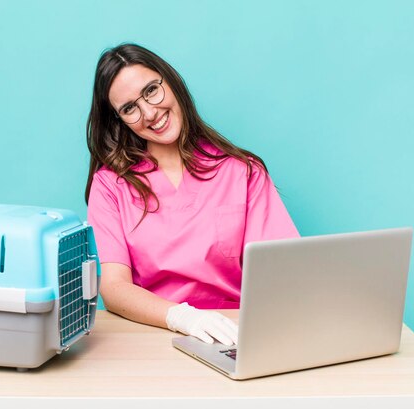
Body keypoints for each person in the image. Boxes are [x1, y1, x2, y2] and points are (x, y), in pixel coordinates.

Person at [85, 43, 299, 346]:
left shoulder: (243, 172)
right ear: (119, 120)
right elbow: (114, 288)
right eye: (129, 109)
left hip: (233, 336)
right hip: (152, 335)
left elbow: (284, 273)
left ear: (171, 82)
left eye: (151, 91)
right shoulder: (110, 185)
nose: (149, 113)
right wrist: (183, 318)